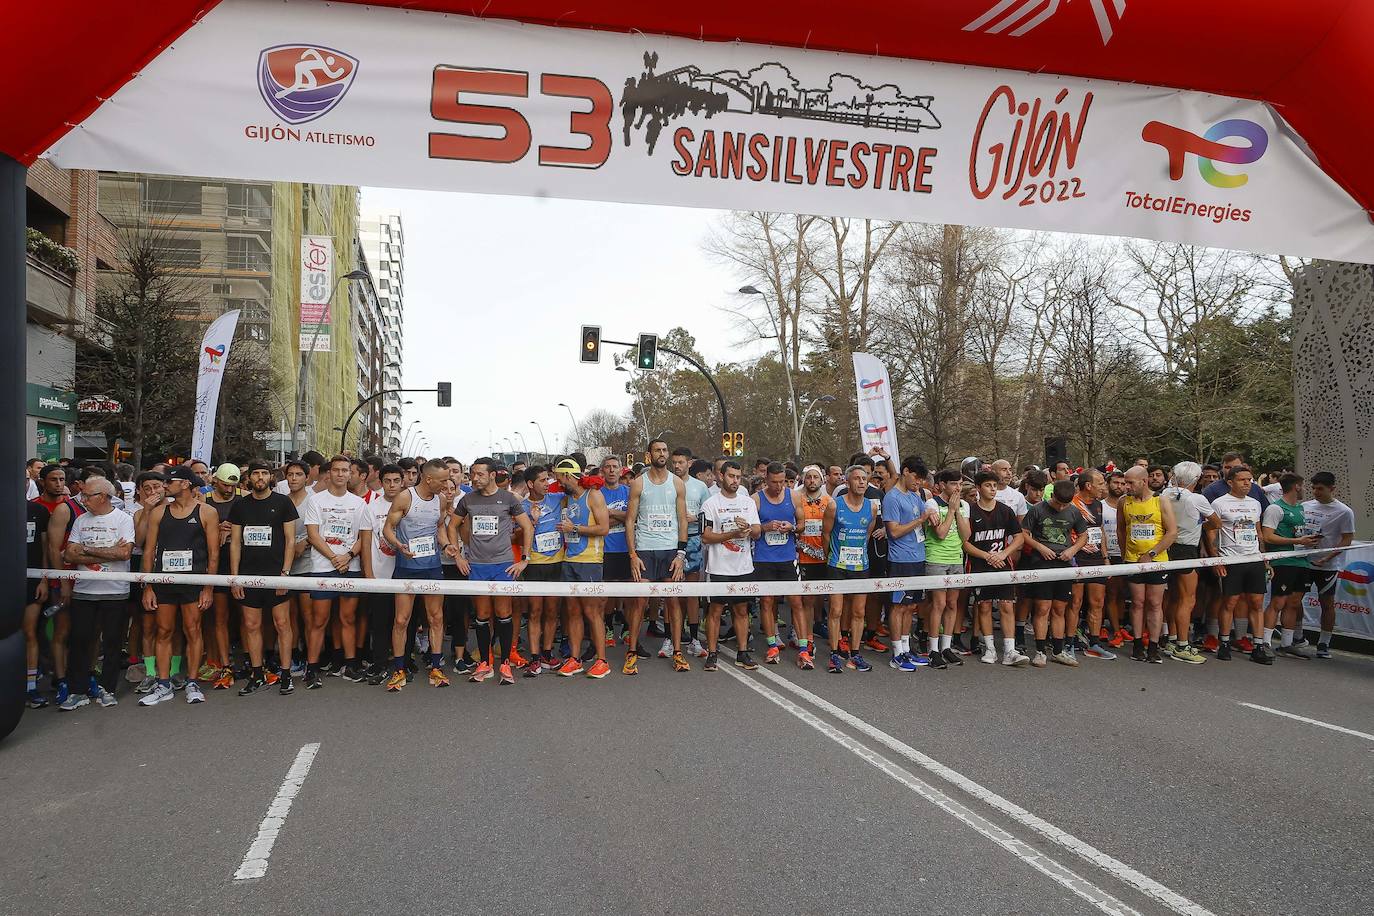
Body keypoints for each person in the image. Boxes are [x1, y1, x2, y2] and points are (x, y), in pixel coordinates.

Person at [138, 466, 219, 707]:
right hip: (164, 580)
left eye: (168, 482)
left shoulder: (207, 511)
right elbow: (148, 551)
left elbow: (214, 553)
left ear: (185, 484)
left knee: (192, 629)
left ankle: (192, 682)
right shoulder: (158, 513)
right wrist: (148, 586)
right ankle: (163, 684)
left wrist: (208, 588)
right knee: (163, 631)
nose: (164, 486)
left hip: (193, 581)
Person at [452, 457, 532, 685]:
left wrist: (524, 559)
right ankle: (485, 663)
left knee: (504, 613)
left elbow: (527, 527)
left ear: (492, 475)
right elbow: (451, 526)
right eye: (473, 474)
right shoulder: (468, 499)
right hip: (477, 565)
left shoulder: (508, 499)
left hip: (503, 564)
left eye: (479, 474)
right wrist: (458, 555)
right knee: (482, 616)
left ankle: (505, 664)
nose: (474, 478)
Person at [59, 476, 134, 710]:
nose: (82, 500)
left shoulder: (123, 520)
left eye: (87, 496)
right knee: (80, 641)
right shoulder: (81, 520)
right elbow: (69, 554)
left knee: (112, 643)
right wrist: (106, 551)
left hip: (115, 590)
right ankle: (77, 691)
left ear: (102, 496)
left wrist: (87, 549)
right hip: (84, 590)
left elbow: (124, 554)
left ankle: (108, 688)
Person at [298, 455, 373, 689]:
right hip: (323, 567)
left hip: (350, 566)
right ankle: (312, 668)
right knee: (319, 620)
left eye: (345, 470)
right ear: (328, 473)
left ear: (351, 475)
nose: (341, 474)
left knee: (347, 618)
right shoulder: (316, 501)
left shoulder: (359, 503)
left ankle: (350, 664)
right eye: (337, 470)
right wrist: (333, 558)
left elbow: (364, 536)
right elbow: (313, 534)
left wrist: (348, 556)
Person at [228, 460, 300, 695]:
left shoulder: (283, 502)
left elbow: (290, 541)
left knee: (282, 624)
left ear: (271, 477)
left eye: (264, 473)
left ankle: (286, 673)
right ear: (248, 479)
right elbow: (235, 543)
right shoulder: (240, 506)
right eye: (255, 473)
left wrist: (285, 574)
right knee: (251, 625)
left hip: (277, 574)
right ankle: (257, 674)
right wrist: (235, 577)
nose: (259, 477)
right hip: (248, 575)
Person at [382, 458, 453, 690]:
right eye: (442, 481)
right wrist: (398, 546)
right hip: (407, 567)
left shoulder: (440, 500)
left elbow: (440, 526)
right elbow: (387, 529)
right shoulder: (406, 497)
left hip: (432, 567)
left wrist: (446, 546)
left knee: (436, 618)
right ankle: (399, 669)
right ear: (428, 478)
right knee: (402, 619)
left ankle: (435, 667)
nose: (446, 485)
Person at [625, 439, 688, 673]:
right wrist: (632, 554)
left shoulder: (677, 483)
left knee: (672, 600)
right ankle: (631, 651)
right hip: (645, 550)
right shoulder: (639, 483)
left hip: (670, 550)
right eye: (657, 451)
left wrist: (680, 554)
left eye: (664, 450)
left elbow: (683, 520)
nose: (662, 454)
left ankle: (678, 651)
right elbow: (630, 520)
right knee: (640, 601)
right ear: (649, 455)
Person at [1022, 479, 1091, 667]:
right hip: (1041, 562)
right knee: (1043, 608)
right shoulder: (1037, 509)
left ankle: (1059, 651)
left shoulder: (1074, 511)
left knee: (1060, 609)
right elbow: (1024, 533)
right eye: (1058, 503)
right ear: (1051, 495)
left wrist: (1073, 550)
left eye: (1065, 504)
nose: (1061, 507)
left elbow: (1084, 535)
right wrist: (1040, 547)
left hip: (1064, 562)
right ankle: (1040, 651)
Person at [700, 460, 761, 671]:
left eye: (738, 476)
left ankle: (742, 653)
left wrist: (748, 529)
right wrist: (733, 533)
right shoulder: (710, 504)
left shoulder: (748, 502)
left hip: (743, 567)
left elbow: (758, 531)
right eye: (731, 476)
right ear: (720, 477)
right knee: (715, 611)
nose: (735, 480)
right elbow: (706, 537)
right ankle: (712, 653)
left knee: (741, 610)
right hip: (718, 568)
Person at [552, 458, 610, 677]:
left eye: (559, 478)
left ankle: (602, 660)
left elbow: (603, 528)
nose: (557, 483)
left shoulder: (593, 495)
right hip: (570, 559)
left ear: (568, 476)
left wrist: (574, 527)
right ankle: (575, 659)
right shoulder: (568, 499)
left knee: (592, 611)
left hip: (590, 562)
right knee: (572, 611)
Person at [965, 471, 1030, 667]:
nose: (993, 489)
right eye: (988, 485)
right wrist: (987, 556)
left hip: (1002, 565)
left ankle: (1010, 650)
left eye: (995, 485)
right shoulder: (970, 512)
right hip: (979, 564)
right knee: (984, 606)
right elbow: (965, 543)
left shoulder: (1005, 511)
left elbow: (1019, 537)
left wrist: (1003, 554)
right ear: (978, 488)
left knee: (1007, 605)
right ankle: (990, 648)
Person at [1207, 465, 1269, 664]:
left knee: (1257, 603)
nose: (1247, 483)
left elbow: (1258, 532)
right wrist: (1216, 559)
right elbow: (1211, 533)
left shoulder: (1255, 503)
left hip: (1253, 559)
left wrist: (1264, 558)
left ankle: (1258, 645)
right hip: (1231, 559)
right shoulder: (1219, 503)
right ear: (1230, 482)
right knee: (1230, 602)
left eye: (1249, 480)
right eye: (1242, 480)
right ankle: (1224, 641)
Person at [883, 457, 938, 671]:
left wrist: (932, 514)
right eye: (916, 477)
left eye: (922, 479)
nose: (919, 482)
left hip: (918, 557)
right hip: (900, 560)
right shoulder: (892, 498)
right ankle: (896, 652)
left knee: (911, 606)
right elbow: (894, 532)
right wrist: (920, 520)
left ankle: (906, 649)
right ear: (905, 472)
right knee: (898, 606)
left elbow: (928, 511)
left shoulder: (915, 497)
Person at [751, 461, 807, 667]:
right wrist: (765, 527)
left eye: (782, 482)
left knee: (796, 601)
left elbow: (802, 525)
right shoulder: (756, 499)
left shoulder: (793, 496)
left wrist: (792, 527)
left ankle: (803, 648)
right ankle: (772, 645)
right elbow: (752, 531)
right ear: (766, 480)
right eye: (774, 482)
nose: (779, 486)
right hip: (764, 558)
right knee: (767, 602)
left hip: (787, 557)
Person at [1119, 466, 1177, 664]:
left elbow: (1172, 532)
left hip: (1156, 561)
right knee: (1137, 602)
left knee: (1154, 603)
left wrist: (1152, 553)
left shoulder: (1160, 501)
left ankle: (1153, 645)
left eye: (1130, 483)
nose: (1126, 486)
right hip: (1132, 559)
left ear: (1143, 482)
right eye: (1125, 482)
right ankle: (1137, 644)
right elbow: (1121, 530)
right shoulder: (1124, 502)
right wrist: (1124, 553)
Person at [1261, 472, 1322, 659]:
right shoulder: (1275, 509)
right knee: (1278, 601)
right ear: (1296, 486)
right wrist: (1297, 540)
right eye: (1303, 486)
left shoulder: (1301, 508)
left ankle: (1287, 644)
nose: (1304, 490)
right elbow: (1267, 536)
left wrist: (1307, 541)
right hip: (1283, 561)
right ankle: (1264, 641)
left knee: (1294, 602)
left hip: (1301, 560)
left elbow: (1298, 535)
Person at [823, 464, 877, 673]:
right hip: (837, 564)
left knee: (858, 611)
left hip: (860, 565)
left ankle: (855, 654)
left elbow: (867, 532)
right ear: (848, 482)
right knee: (836, 610)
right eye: (857, 478)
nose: (862, 482)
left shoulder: (871, 507)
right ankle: (834, 654)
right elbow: (826, 534)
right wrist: (833, 555)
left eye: (864, 479)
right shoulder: (834, 506)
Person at [1160, 462, 1215, 664]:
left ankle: (1172, 639)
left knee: (1173, 595)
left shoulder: (1164, 494)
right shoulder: (1197, 498)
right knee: (1187, 599)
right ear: (1197, 479)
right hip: (1186, 548)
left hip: (1167, 546)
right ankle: (1183, 645)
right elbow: (1216, 522)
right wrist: (1198, 521)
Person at [1302, 471, 1356, 658]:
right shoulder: (1305, 506)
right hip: (1305, 562)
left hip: (1329, 565)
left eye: (1321, 489)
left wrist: (1328, 558)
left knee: (1327, 603)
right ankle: (1298, 637)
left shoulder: (1344, 511)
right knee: (1294, 600)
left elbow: (1347, 539)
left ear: (1332, 489)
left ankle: (1324, 643)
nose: (1316, 492)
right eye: (1314, 488)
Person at [362, 464, 405, 685]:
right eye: (387, 481)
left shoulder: (410, 504)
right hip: (379, 574)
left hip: (406, 572)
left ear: (403, 481)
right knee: (380, 623)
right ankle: (379, 663)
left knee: (404, 620)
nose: (392, 485)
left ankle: (403, 662)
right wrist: (368, 574)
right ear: (380, 481)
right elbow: (367, 541)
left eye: (396, 480)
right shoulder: (371, 507)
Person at [520, 466, 565, 676]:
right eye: (542, 481)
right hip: (534, 564)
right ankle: (535, 657)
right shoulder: (520, 505)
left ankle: (547, 653)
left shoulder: (556, 498)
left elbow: (579, 489)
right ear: (530, 484)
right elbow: (513, 536)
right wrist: (530, 522)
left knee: (552, 611)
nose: (547, 484)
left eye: (548, 479)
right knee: (535, 611)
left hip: (556, 562)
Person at [924, 467, 970, 664]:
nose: (958, 488)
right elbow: (941, 533)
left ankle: (946, 646)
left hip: (956, 557)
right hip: (936, 557)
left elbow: (966, 536)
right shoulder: (932, 503)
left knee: (953, 603)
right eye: (953, 484)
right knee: (939, 603)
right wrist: (951, 510)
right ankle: (933, 648)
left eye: (960, 484)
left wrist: (957, 509)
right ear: (942, 485)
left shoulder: (965, 505)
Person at [1067, 469, 1112, 660]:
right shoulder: (1071, 504)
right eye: (1100, 483)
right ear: (1088, 486)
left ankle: (1093, 643)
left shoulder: (1099, 505)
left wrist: (1105, 557)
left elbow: (1100, 530)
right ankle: (1068, 643)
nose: (1104, 486)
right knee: (1075, 603)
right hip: (1077, 560)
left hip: (1096, 560)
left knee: (1097, 603)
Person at [205, 463, 241, 689]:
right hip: (216, 564)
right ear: (215, 480)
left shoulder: (242, 499)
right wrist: (215, 529)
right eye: (225, 484)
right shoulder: (204, 502)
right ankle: (224, 662)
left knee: (247, 617)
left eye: (233, 485)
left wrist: (235, 529)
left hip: (240, 561)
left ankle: (249, 659)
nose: (229, 490)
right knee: (219, 616)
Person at [23, 490, 51, 707]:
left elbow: (45, 548)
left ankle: (30, 687)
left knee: (29, 632)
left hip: (31, 581)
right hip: (6, 583)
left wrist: (43, 579)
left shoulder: (37, 510)